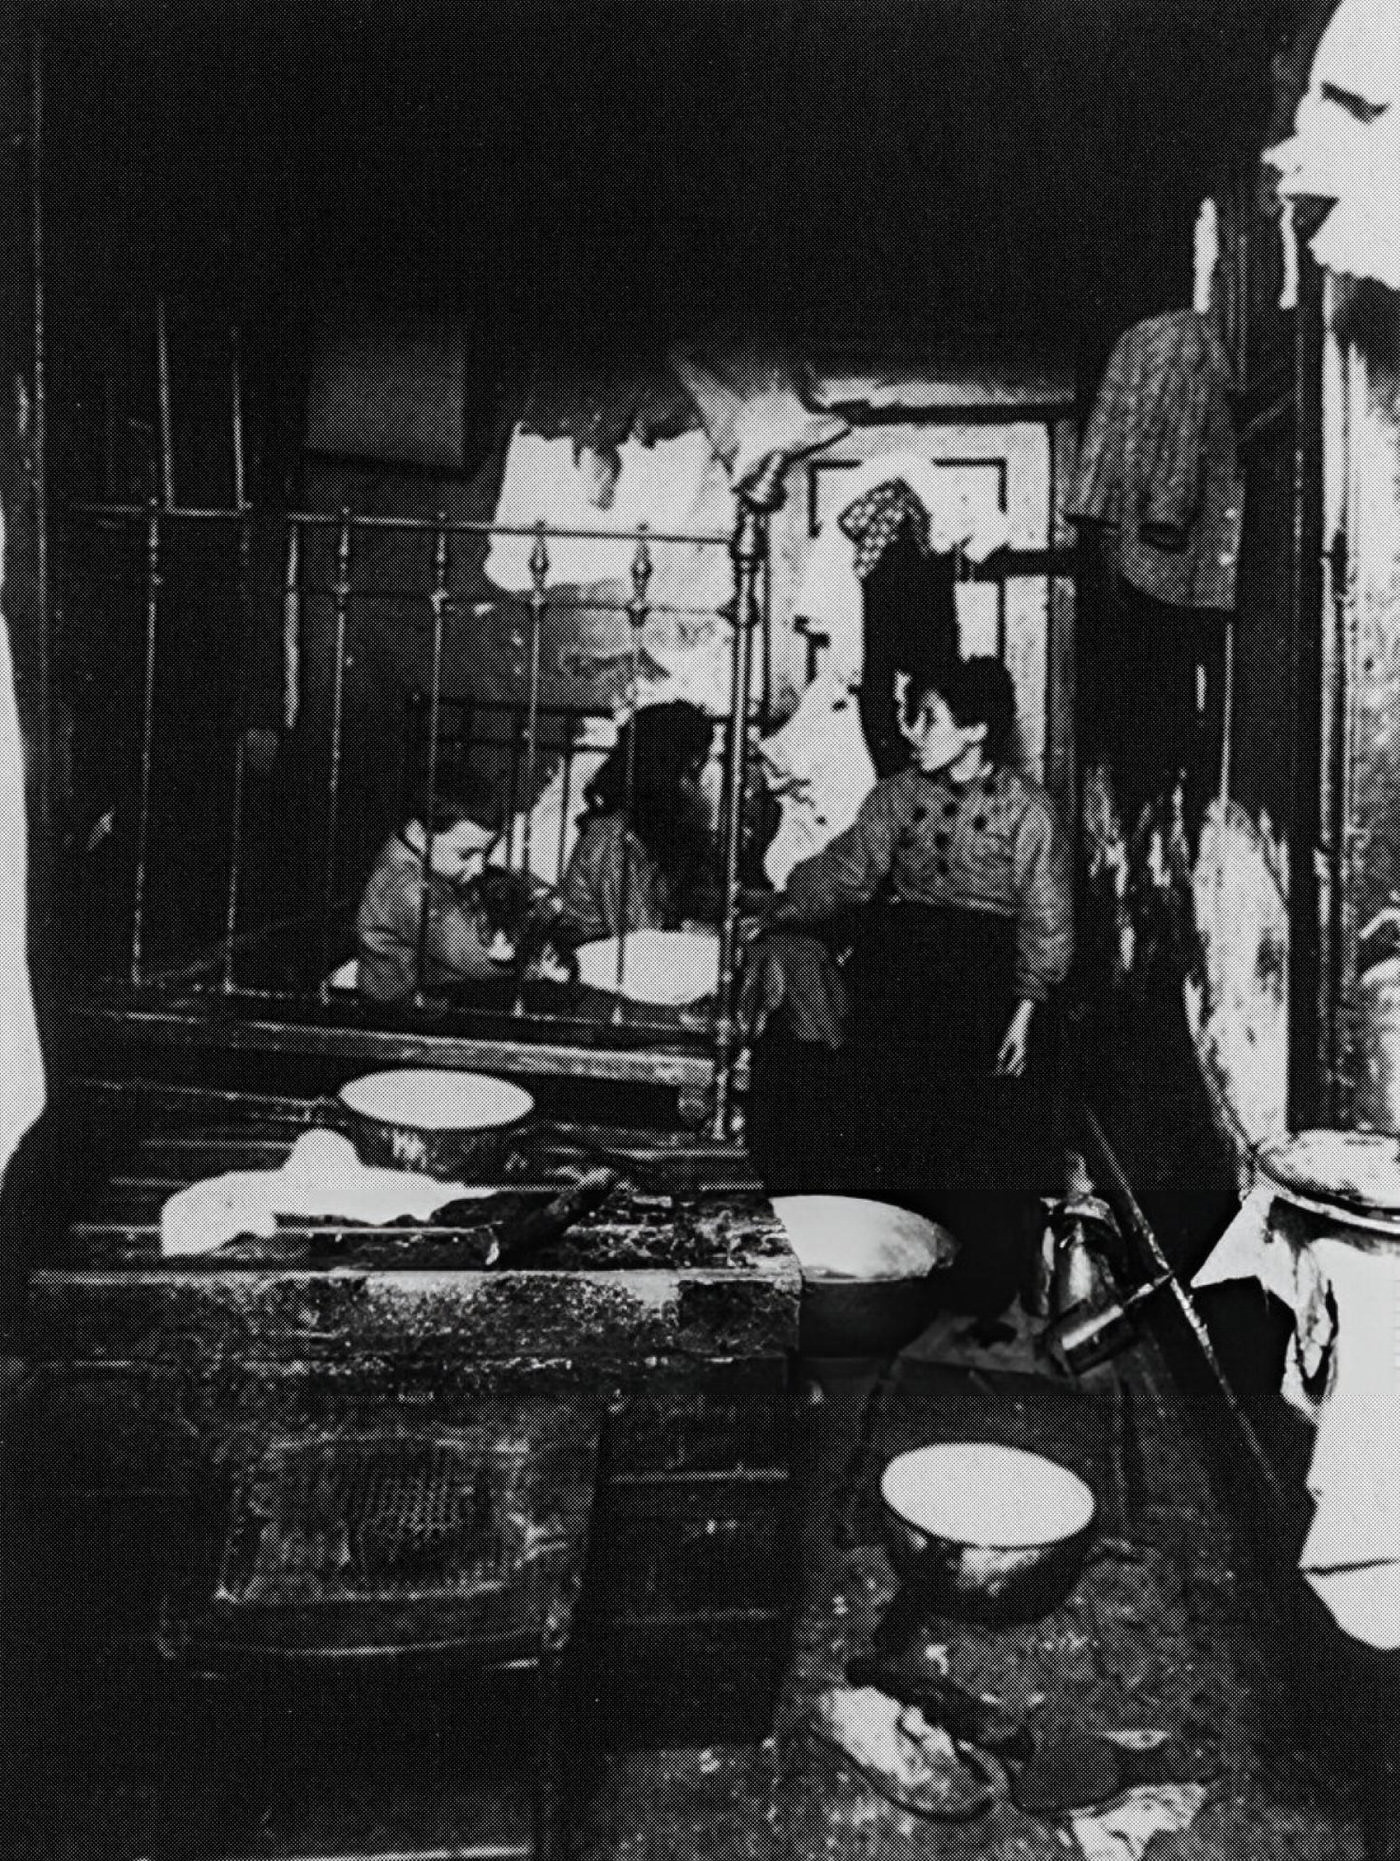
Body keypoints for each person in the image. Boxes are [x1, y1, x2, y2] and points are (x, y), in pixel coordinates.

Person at [756, 656, 1074, 1317]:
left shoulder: (1028, 811)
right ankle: (887, 1267)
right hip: (903, 964)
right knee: (880, 1106)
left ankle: (973, 1283)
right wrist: (779, 909)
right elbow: (844, 873)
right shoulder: (897, 797)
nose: (912, 731)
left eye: (927, 717)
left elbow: (1046, 922)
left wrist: (1024, 1012)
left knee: (977, 1127)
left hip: (986, 976)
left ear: (976, 727)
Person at [558, 701, 716, 944]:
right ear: (664, 774)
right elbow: (640, 938)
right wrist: (697, 930)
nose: (699, 786)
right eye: (693, 772)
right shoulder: (613, 838)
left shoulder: (652, 830)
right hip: (599, 968)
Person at [356, 767, 511, 1005]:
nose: (478, 867)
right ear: (419, 834)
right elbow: (480, 963)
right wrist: (538, 965)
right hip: (410, 1016)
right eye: (466, 854)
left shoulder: (418, 863)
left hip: (432, 999)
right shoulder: (411, 890)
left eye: (486, 853)